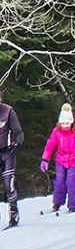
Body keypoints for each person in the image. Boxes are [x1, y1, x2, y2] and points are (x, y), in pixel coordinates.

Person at [40, 103, 75, 213]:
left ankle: (73, 204)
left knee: (70, 182)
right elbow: (49, 145)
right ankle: (57, 202)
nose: (65, 126)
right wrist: (45, 159)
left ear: (72, 122)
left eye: (67, 123)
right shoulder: (57, 131)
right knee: (59, 181)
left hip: (74, 160)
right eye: (63, 123)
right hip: (60, 160)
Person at [0, 88, 23, 226]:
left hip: (7, 152)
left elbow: (18, 132)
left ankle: (14, 211)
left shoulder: (8, 111)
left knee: (8, 184)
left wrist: (17, 144)